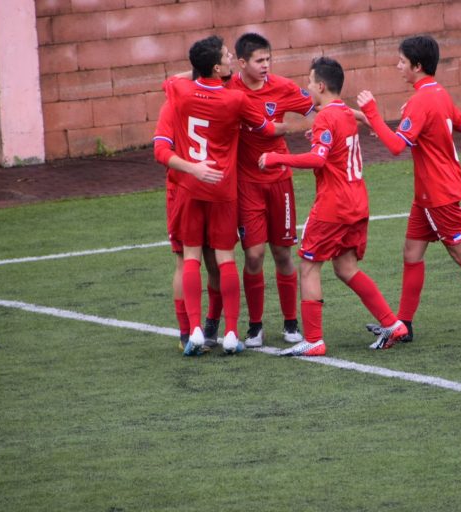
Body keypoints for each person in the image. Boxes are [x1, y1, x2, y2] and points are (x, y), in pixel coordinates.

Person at [356, 35, 461, 340]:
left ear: (417, 66)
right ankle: (404, 325)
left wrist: (372, 112)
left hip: (437, 193)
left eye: (402, 62)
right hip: (430, 192)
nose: (398, 66)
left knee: (460, 252)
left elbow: (395, 146)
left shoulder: (420, 101)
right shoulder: (438, 93)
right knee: (411, 252)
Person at [259, 57, 408, 356]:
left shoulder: (326, 117)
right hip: (357, 203)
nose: (307, 86)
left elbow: (318, 159)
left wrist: (276, 158)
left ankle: (313, 340)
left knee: (308, 267)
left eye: (310, 81)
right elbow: (337, 140)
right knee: (346, 267)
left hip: (333, 207)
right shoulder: (343, 113)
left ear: (321, 86)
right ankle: (392, 324)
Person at [155, 35, 278, 356]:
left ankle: (194, 329)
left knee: (189, 258)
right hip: (222, 188)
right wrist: (283, 125)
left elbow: (171, 83)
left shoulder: (179, 92)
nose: (231, 58)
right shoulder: (235, 99)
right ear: (216, 67)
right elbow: (266, 128)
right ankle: (231, 332)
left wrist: (193, 169)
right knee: (224, 260)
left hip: (188, 187)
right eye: (226, 56)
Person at [227, 33, 316, 348]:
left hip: (280, 182)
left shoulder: (283, 87)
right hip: (246, 184)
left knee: (282, 253)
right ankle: (255, 326)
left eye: (268, 59)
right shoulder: (228, 87)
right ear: (241, 63)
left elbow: (317, 108)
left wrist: (318, 131)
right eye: (259, 60)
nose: (266, 65)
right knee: (253, 255)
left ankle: (291, 323)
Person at [153, 81, 224, 352]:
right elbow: (161, 151)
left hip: (212, 188)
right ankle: (189, 332)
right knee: (191, 260)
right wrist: (193, 169)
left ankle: (206, 327)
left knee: (211, 260)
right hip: (187, 191)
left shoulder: (182, 98)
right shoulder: (182, 103)